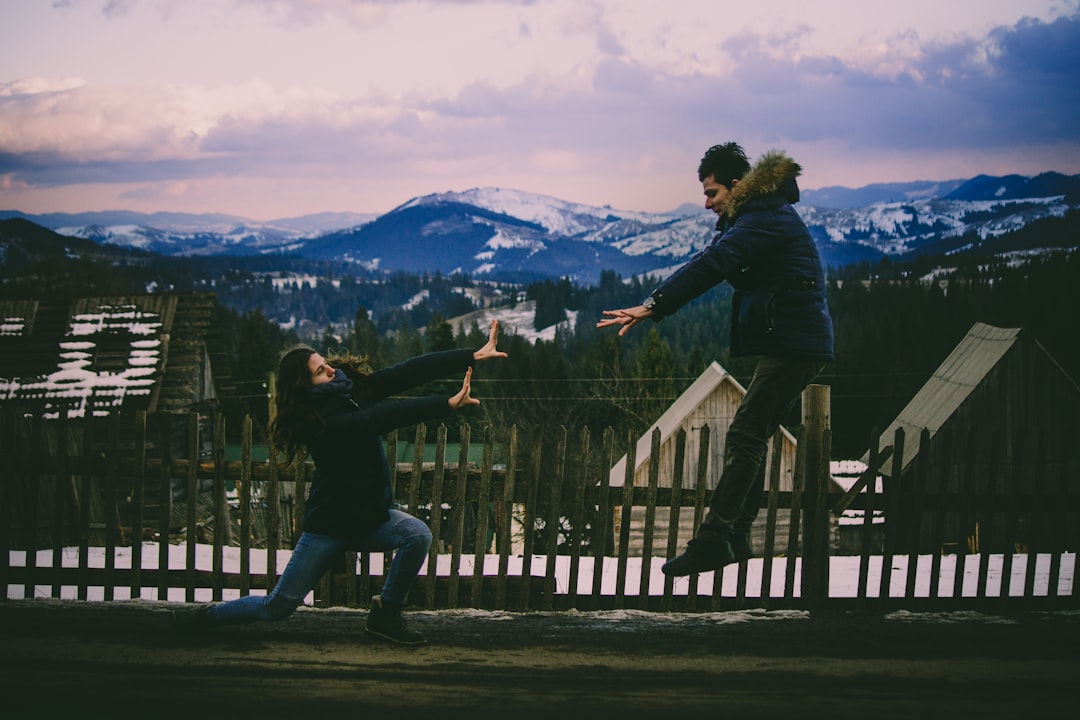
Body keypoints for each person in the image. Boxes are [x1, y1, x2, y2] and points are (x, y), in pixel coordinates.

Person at [174, 320, 507, 644]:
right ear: (306, 387)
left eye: (324, 363)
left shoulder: (351, 389)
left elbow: (406, 372)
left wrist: (469, 356)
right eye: (321, 371)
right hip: (330, 527)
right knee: (277, 607)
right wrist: (444, 405)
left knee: (417, 535)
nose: (331, 370)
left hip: (370, 517)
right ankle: (205, 617)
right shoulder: (318, 424)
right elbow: (377, 419)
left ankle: (386, 614)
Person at [597, 142, 834, 576]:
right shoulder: (757, 213)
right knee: (753, 434)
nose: (706, 203)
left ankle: (712, 540)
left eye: (712, 193)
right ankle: (735, 537)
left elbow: (712, 265)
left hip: (796, 344)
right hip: (796, 341)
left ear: (738, 185)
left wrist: (654, 305)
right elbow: (709, 258)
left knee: (745, 434)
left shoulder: (764, 216)